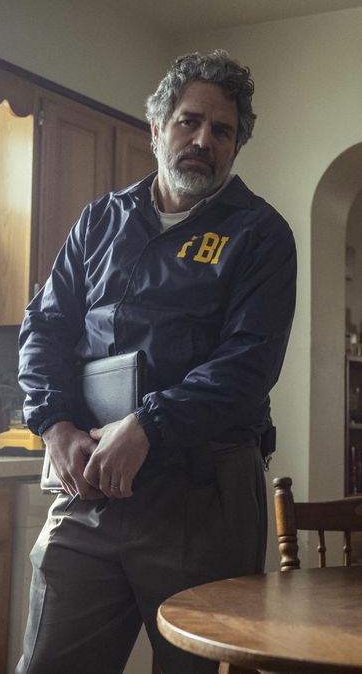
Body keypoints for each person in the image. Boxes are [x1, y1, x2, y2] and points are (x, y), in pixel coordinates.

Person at [16, 50, 296, 673]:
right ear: (156, 127)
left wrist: (148, 424)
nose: (203, 140)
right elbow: (45, 327)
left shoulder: (261, 233)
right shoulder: (100, 221)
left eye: (222, 130)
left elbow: (249, 363)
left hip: (204, 495)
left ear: (237, 146)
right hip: (87, 492)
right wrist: (53, 425)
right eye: (189, 121)